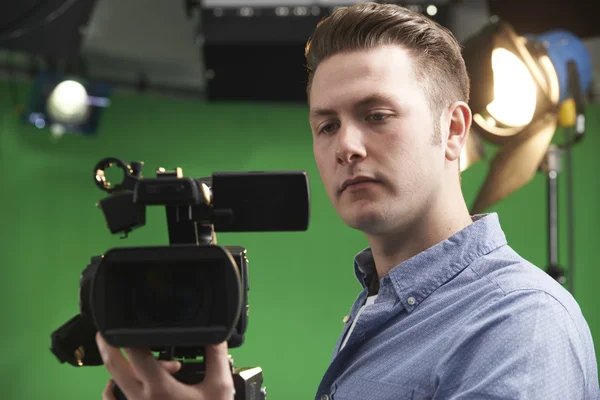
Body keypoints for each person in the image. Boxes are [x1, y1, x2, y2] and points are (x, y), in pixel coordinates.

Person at [96, 2, 599, 399]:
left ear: (452, 129)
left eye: (377, 114)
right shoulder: (381, 305)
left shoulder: (518, 324)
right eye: (327, 125)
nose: (346, 146)